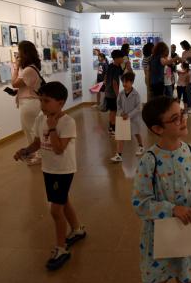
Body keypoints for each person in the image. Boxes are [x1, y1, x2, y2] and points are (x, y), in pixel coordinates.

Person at [132, 96, 191, 283]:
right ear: (158, 129)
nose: (184, 119)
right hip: (158, 236)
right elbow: (140, 204)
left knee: (186, 276)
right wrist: (172, 209)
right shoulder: (149, 160)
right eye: (175, 118)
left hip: (187, 229)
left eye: (182, 113)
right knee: (157, 280)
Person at [13, 82, 86, 271]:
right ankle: (77, 230)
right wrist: (25, 150)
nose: (42, 105)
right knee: (63, 200)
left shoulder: (67, 122)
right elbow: (38, 142)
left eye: (46, 101)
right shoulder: (40, 119)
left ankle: (61, 248)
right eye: (40, 100)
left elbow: (59, 149)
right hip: (48, 169)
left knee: (55, 210)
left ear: (60, 103)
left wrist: (53, 128)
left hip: (63, 170)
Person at [11, 40, 43, 166]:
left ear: (25, 54)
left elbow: (14, 83)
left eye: (19, 53)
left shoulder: (29, 70)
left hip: (30, 104)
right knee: (29, 129)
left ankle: (38, 155)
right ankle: (34, 154)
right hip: (28, 103)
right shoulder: (31, 68)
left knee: (32, 130)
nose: (18, 56)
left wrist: (16, 67)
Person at [110, 72, 145, 162]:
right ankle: (119, 154)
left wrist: (129, 115)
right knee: (121, 136)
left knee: (136, 133)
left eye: (126, 82)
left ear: (132, 82)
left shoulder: (136, 94)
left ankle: (141, 146)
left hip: (134, 118)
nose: (124, 84)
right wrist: (121, 113)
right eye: (123, 82)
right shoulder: (121, 94)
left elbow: (138, 107)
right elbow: (118, 104)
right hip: (123, 117)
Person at [104, 50, 124, 135]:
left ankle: (111, 128)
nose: (122, 59)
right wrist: (117, 95)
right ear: (116, 58)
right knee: (113, 111)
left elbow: (105, 77)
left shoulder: (112, 66)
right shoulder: (115, 68)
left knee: (112, 111)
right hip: (112, 94)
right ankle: (112, 128)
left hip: (108, 92)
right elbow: (114, 83)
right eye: (121, 58)